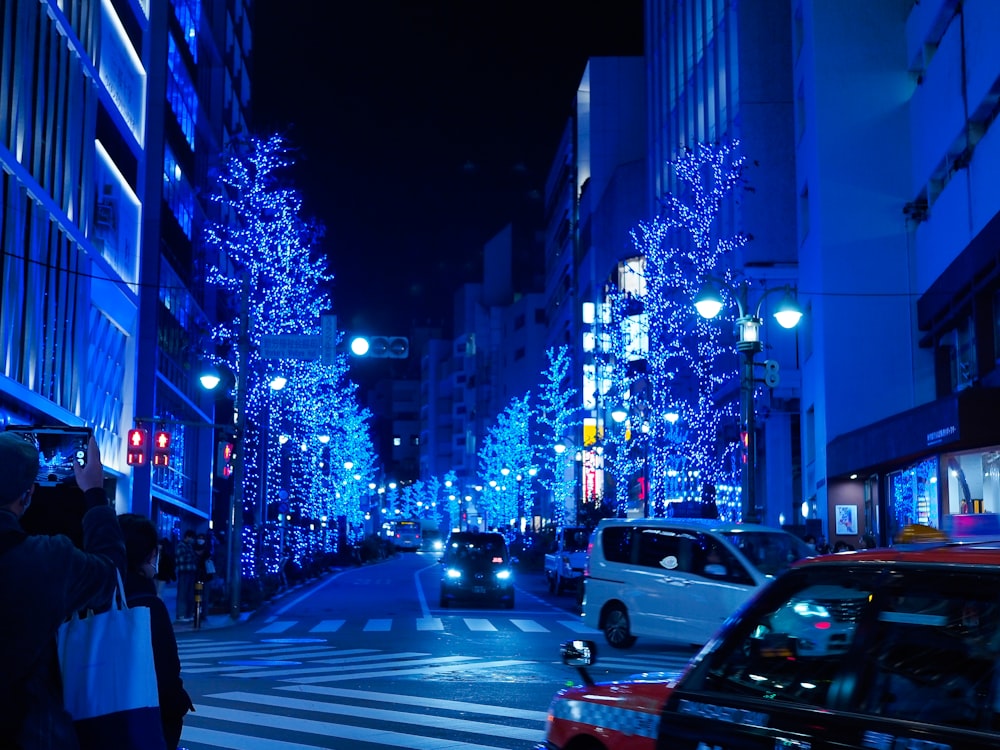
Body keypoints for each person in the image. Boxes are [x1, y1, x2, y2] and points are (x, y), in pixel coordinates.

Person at [0, 433, 126, 748]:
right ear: (27, 494)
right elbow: (111, 576)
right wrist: (95, 495)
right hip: (31, 733)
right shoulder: (48, 559)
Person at [118, 514, 194, 749]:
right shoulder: (149, 605)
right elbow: (166, 672)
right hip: (145, 721)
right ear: (150, 554)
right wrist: (178, 706)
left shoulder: (89, 594)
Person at [174, 529, 197, 622]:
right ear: (187, 537)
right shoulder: (181, 545)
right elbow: (181, 558)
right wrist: (192, 556)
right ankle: (181, 614)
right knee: (183, 594)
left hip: (191, 572)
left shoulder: (190, 546)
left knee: (190, 594)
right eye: (191, 538)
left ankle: (188, 614)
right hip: (184, 572)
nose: (192, 540)